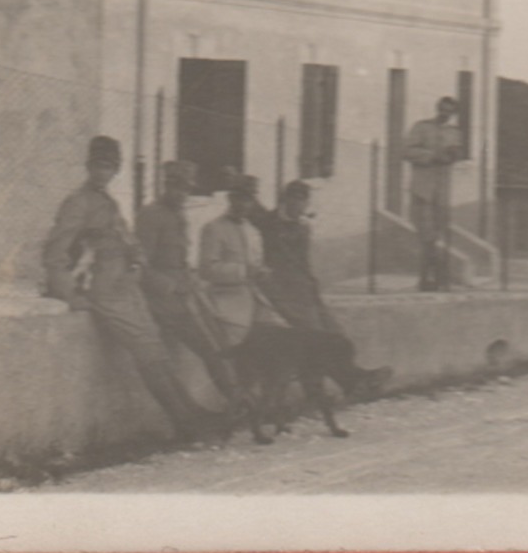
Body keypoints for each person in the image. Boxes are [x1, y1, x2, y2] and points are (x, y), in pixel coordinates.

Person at [43, 136, 221, 442]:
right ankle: (184, 422)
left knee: (155, 347)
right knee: (146, 350)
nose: (104, 172)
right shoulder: (78, 201)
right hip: (104, 288)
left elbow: (125, 237)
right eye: (99, 165)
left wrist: (137, 256)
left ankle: (192, 413)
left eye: (110, 166)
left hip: (125, 285)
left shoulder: (107, 202)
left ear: (116, 170)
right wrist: (69, 294)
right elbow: (55, 252)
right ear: (88, 166)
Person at [245, 178, 391, 399]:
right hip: (284, 293)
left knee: (337, 336)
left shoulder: (303, 228)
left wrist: (313, 287)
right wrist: (240, 182)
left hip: (306, 290)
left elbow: (304, 263)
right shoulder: (270, 222)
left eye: (304, 201)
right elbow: (250, 207)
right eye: (296, 200)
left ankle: (352, 380)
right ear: (286, 200)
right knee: (319, 341)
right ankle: (353, 381)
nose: (301, 206)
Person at [136, 161, 242, 406]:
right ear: (166, 186)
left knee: (218, 341)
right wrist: (170, 287)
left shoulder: (178, 214)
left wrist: (191, 282)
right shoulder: (151, 215)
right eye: (178, 188)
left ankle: (238, 399)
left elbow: (180, 260)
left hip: (186, 295)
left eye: (186, 189)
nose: (183, 194)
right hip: (165, 302)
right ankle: (237, 401)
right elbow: (140, 265)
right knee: (207, 347)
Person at [197, 176, 285, 346]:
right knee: (237, 348)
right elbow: (206, 269)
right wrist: (244, 271)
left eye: (248, 199)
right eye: (240, 198)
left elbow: (257, 266)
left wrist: (262, 273)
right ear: (230, 198)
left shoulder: (253, 232)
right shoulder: (213, 229)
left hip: (255, 299)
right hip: (226, 301)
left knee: (282, 338)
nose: (244, 204)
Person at [403, 96, 467, 291]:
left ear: (453, 114)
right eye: (443, 110)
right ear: (437, 108)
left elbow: (456, 156)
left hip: (442, 192)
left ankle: (429, 280)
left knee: (435, 236)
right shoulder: (421, 128)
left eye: (449, 112)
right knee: (425, 235)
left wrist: (453, 155)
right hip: (422, 190)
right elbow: (406, 151)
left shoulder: (454, 133)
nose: (445, 114)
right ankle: (435, 277)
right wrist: (431, 156)